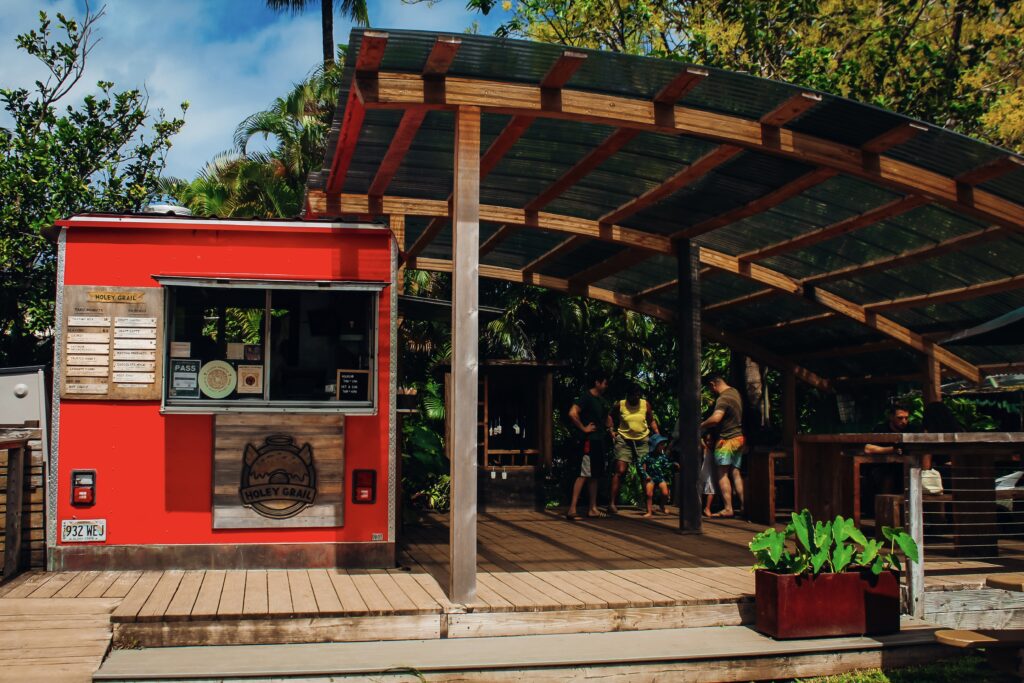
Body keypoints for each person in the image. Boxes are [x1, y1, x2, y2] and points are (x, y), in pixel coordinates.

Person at [566, 373, 611, 520]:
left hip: (600, 440)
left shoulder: (602, 400)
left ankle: (593, 508)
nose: (606, 386)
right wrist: (583, 428)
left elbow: (606, 418)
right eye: (604, 383)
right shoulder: (586, 397)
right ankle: (572, 509)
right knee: (584, 473)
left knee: (595, 475)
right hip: (589, 441)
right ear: (597, 382)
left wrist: (610, 428)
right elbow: (572, 413)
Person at [608, 384, 659, 514]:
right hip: (624, 440)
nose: (635, 398)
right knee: (620, 470)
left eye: (638, 396)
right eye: (633, 396)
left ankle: (646, 505)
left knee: (644, 472)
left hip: (642, 440)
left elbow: (651, 420)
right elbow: (609, 416)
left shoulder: (645, 404)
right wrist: (611, 430)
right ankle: (612, 503)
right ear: (628, 395)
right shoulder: (620, 404)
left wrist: (656, 433)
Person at [700, 374, 745, 518]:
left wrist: (699, 425)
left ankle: (728, 508)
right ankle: (744, 506)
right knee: (736, 473)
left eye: (710, 388)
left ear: (713, 384)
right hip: (739, 438)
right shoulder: (735, 393)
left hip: (726, 441)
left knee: (722, 474)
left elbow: (716, 418)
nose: (711, 391)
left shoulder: (723, 398)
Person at [638, 435, 676, 517]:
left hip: (660, 477)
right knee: (649, 494)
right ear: (655, 445)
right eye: (661, 444)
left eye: (663, 444)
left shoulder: (662, 457)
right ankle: (649, 511)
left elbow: (666, 465)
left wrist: (673, 465)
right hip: (650, 477)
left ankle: (662, 506)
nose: (663, 446)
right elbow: (640, 465)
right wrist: (645, 475)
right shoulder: (647, 456)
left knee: (665, 493)